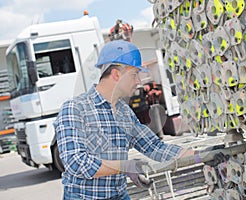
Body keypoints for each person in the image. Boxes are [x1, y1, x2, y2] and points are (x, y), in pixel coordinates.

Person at [53, 40, 198, 200]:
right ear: (116, 74)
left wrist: (200, 156)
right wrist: (125, 166)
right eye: (134, 74)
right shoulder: (75, 109)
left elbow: (154, 148)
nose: (138, 81)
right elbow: (76, 163)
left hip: (119, 195)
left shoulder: (124, 112)